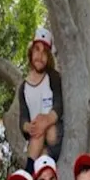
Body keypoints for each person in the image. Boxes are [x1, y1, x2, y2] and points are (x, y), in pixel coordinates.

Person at [18, 27, 64, 163]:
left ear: (49, 57)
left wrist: (47, 119)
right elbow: (23, 118)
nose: (40, 55)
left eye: (45, 52)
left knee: (47, 130)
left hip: (53, 136)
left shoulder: (53, 77)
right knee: (41, 156)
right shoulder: (24, 88)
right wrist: (28, 127)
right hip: (36, 140)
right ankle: (30, 171)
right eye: (37, 49)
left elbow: (59, 104)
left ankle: (31, 167)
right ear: (31, 52)